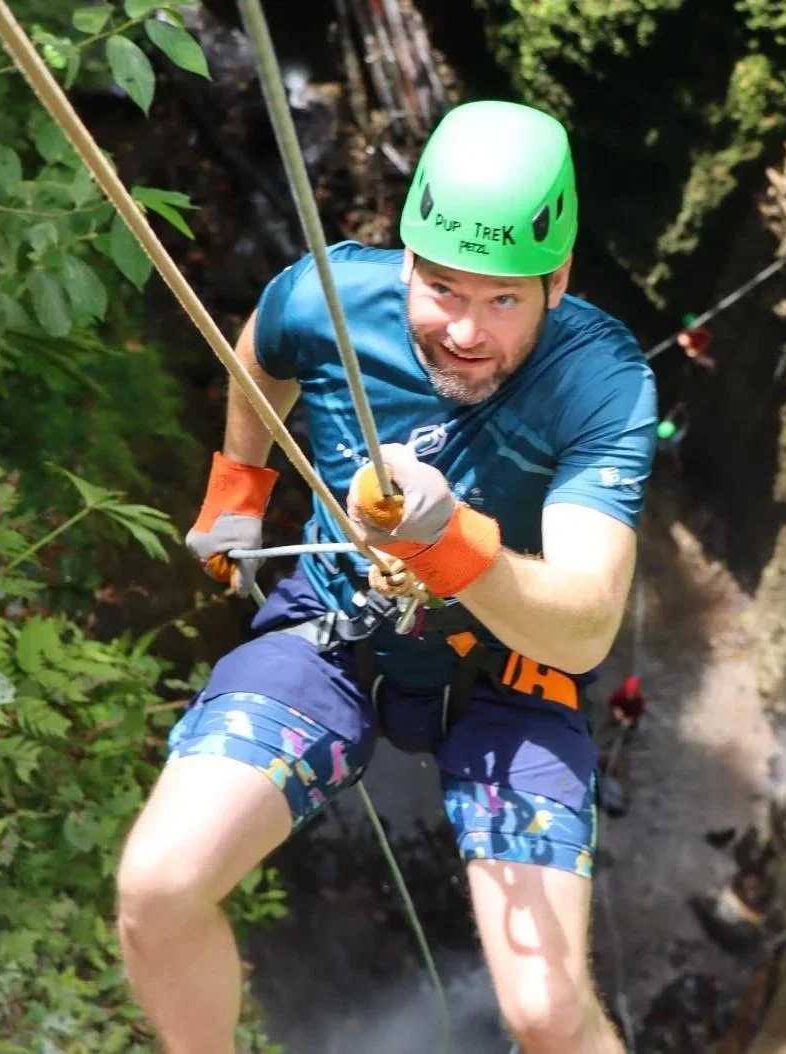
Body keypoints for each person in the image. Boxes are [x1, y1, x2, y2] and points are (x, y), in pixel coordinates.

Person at [115, 100, 658, 1054]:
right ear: (405, 261)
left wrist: (446, 535)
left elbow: (581, 628)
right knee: (159, 888)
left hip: (510, 680)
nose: (466, 333)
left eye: (504, 300)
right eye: (443, 288)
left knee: (546, 1014)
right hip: (338, 633)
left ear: (558, 281)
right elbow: (264, 349)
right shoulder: (328, 295)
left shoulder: (603, 381)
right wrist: (240, 486)